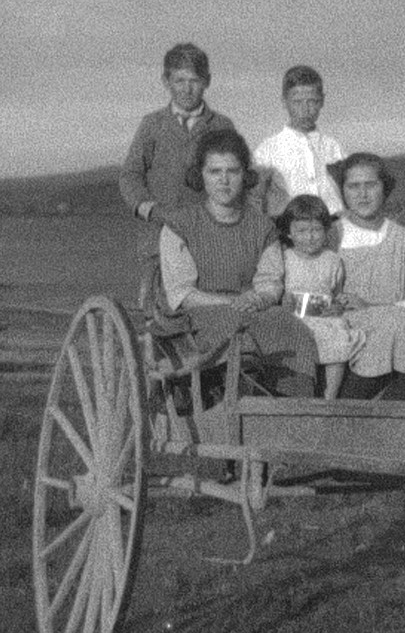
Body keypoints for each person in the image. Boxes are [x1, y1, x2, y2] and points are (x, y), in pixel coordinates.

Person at [151, 130, 318, 396]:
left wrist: (261, 299)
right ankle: (242, 405)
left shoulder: (262, 227)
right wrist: (235, 303)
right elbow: (182, 294)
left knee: (290, 327)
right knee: (238, 327)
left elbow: (270, 282)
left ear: (245, 175)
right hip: (195, 317)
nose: (224, 181)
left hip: (252, 309)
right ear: (201, 175)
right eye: (215, 172)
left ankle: (295, 410)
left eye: (233, 171)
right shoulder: (179, 226)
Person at [328, 153, 405, 399]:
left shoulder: (401, 238)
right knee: (394, 329)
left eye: (370, 185)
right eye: (353, 186)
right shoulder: (332, 235)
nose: (362, 194)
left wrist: (378, 308)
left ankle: (398, 409)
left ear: (385, 188)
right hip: (346, 327)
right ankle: (351, 405)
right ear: (343, 191)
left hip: (395, 326)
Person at [119, 42, 237, 224]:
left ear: (207, 81)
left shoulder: (222, 126)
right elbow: (131, 174)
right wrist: (146, 208)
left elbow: (237, 176)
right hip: (157, 236)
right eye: (179, 81)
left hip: (210, 235)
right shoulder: (152, 124)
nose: (187, 89)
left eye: (194, 80)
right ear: (166, 82)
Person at [276, 194, 361, 400]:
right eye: (302, 231)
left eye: (316, 230)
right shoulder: (284, 259)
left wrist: (337, 306)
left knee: (340, 334)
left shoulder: (332, 261)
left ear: (326, 231)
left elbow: (336, 294)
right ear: (289, 233)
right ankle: (305, 394)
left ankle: (329, 397)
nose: (310, 237)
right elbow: (282, 298)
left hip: (326, 320)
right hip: (294, 318)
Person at [252, 65, 346, 218]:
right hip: (290, 230)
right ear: (284, 102)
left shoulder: (333, 148)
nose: (305, 109)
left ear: (322, 101)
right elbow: (256, 199)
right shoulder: (266, 151)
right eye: (297, 102)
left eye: (312, 101)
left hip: (335, 227)